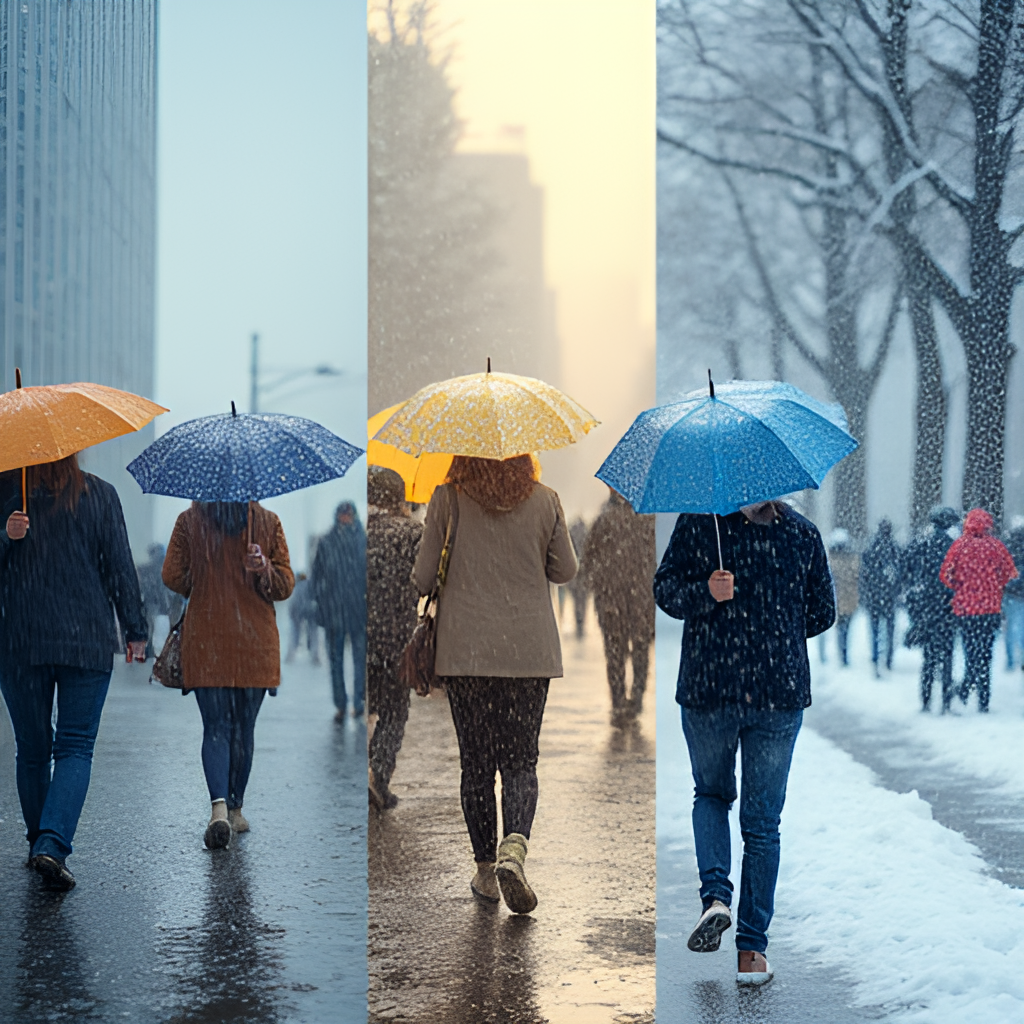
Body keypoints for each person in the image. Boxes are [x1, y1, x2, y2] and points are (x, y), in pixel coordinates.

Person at [654, 499, 834, 986]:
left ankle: (716, 897)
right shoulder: (796, 533)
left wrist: (719, 604)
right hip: (771, 690)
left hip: (714, 685)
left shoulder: (705, 521)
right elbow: (821, 613)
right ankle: (750, 953)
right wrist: (714, 595)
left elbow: (667, 589)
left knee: (717, 799)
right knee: (761, 823)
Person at [413, 454, 576, 915]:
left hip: (466, 654)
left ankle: (486, 871)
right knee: (521, 760)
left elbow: (422, 578)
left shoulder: (447, 499)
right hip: (528, 652)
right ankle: (514, 852)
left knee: (477, 765)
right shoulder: (546, 500)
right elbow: (565, 570)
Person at [0, 455, 148, 890]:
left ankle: (40, 842)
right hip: (85, 638)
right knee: (75, 747)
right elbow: (120, 566)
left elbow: (119, 564)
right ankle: (51, 843)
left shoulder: (8, 491)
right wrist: (135, 630)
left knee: (32, 749)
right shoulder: (99, 494)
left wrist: (6, 537)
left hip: (20, 639)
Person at [163, 500, 294, 848]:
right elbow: (285, 586)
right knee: (243, 729)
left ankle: (218, 808)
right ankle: (236, 809)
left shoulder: (190, 520)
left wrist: (204, 580)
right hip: (255, 643)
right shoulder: (267, 522)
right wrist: (264, 569)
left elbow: (171, 574)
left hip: (207, 639)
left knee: (215, 727)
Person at [366, 467, 422, 810]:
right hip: (399, 637)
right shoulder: (413, 532)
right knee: (394, 710)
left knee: (366, 706)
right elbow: (428, 579)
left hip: (364, 637)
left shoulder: (361, 532)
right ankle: (378, 774)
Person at [582, 488, 656, 722]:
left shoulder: (604, 520)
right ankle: (636, 697)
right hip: (642, 599)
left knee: (615, 652)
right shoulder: (649, 519)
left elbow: (588, 558)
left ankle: (619, 700)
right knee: (640, 649)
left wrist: (598, 583)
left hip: (611, 599)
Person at [940, 508, 1017, 712]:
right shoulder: (996, 546)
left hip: (966, 610)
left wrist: (960, 585)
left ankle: (966, 687)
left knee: (970, 651)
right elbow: (1010, 572)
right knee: (986, 654)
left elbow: (945, 575)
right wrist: (995, 584)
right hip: (990, 609)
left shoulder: (959, 545)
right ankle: (983, 699)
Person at [312, 502, 367, 720]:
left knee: (359, 659)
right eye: (343, 514)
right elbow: (317, 576)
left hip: (358, 610)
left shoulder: (362, 540)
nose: (345, 518)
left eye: (348, 514)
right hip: (335, 611)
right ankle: (341, 704)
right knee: (336, 662)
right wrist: (322, 601)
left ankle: (358, 701)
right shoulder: (327, 542)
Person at [903, 507, 960, 712]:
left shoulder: (922, 544)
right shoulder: (954, 546)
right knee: (947, 656)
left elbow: (910, 574)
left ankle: (926, 700)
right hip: (947, 609)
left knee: (929, 658)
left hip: (927, 609)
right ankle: (945, 701)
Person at [859, 519, 902, 678]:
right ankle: (888, 659)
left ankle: (876, 657)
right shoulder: (894, 548)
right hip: (889, 597)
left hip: (874, 597)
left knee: (875, 630)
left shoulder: (871, 548)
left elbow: (864, 575)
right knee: (889, 629)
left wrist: (866, 593)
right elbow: (900, 573)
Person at [137, 542, 184, 658]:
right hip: (159, 604)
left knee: (157, 629)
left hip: (158, 604)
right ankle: (160, 652)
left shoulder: (146, 570)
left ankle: (159, 651)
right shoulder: (150, 570)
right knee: (157, 629)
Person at [826, 528, 859, 667]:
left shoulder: (831, 561)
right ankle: (844, 654)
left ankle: (842, 653)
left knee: (841, 629)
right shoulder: (852, 560)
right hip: (848, 600)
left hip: (838, 600)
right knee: (845, 629)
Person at [1002, 516, 1024, 670]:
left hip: (1011, 593)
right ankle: (1022, 657)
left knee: (1010, 626)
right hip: (1021, 592)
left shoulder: (1008, 545)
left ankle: (1010, 660)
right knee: (1021, 627)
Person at [286, 572, 320, 665]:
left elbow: (293, 602)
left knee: (295, 631)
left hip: (298, 610)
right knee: (313, 632)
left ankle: (291, 653)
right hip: (310, 610)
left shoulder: (296, 587)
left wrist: (291, 613)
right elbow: (315, 598)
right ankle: (315, 655)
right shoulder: (310, 585)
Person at [565, 516, 590, 639]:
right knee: (582, 601)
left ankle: (579, 625)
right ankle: (580, 625)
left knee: (577, 601)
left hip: (576, 575)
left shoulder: (571, 534)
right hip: (584, 575)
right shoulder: (586, 534)